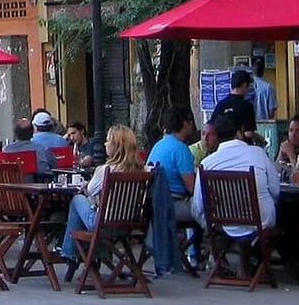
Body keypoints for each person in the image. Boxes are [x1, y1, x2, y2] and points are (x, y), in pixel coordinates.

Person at [192, 113, 280, 276]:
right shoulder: (258, 154)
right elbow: (275, 190)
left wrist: (208, 224)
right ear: (239, 132)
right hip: (260, 221)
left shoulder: (207, 164)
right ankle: (255, 263)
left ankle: (223, 260)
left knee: (220, 219)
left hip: (224, 223)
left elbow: (198, 205)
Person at [58, 124, 144, 260]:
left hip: (103, 223)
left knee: (77, 199)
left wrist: (86, 185)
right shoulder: (142, 171)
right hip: (130, 224)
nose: (104, 144)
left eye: (108, 140)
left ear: (116, 146)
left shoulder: (105, 170)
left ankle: (69, 252)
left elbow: (89, 191)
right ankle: (93, 254)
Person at [146, 105, 196, 221]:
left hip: (155, 204)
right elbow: (192, 188)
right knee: (207, 208)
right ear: (184, 123)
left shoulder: (159, 145)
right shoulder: (180, 149)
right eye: (190, 121)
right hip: (173, 205)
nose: (192, 125)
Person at [211, 69, 265, 146]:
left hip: (222, 146)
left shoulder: (220, 104)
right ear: (244, 84)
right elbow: (248, 133)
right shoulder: (246, 106)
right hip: (243, 146)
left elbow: (211, 125)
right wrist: (261, 138)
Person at [252, 56, 277, 120]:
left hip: (248, 123)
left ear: (252, 69)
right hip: (263, 123)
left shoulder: (247, 85)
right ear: (263, 69)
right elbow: (271, 112)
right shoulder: (268, 87)